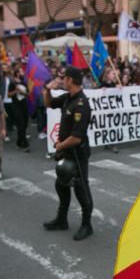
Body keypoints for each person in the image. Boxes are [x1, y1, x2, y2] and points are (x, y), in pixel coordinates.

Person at [42, 67, 93, 241]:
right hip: (66, 153)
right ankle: (61, 220)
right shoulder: (68, 98)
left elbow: (77, 138)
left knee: (81, 190)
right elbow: (48, 104)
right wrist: (47, 89)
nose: (62, 81)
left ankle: (87, 225)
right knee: (61, 185)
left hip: (77, 155)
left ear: (70, 80)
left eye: (64, 78)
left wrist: (59, 145)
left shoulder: (81, 104)